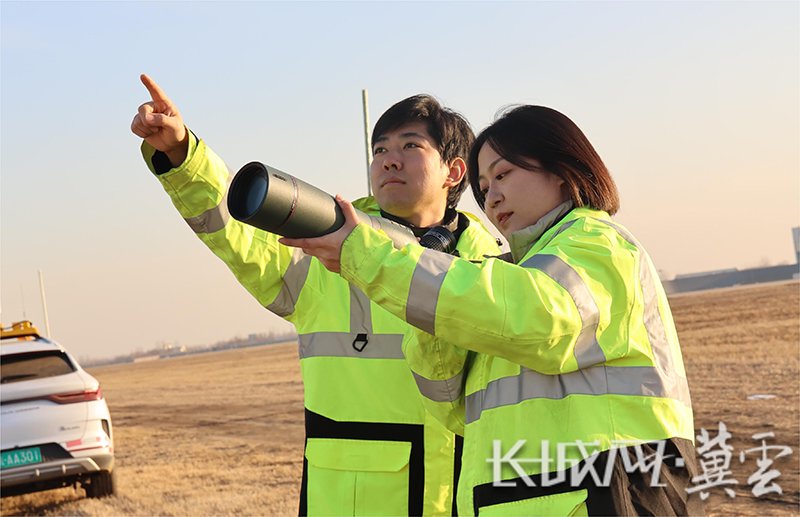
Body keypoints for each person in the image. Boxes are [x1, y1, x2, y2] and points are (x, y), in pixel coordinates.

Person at [281, 105, 703, 516]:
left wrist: (369, 256)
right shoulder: (509, 273)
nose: (491, 197)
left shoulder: (599, 245)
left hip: (606, 500)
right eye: (483, 188)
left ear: (561, 169)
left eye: (503, 175)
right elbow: (452, 408)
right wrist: (432, 321)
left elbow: (539, 318)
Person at [130, 74, 501, 516]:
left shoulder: (496, 268)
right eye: (380, 150)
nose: (389, 161)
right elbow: (237, 231)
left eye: (409, 146)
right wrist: (181, 154)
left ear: (453, 171)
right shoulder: (324, 249)